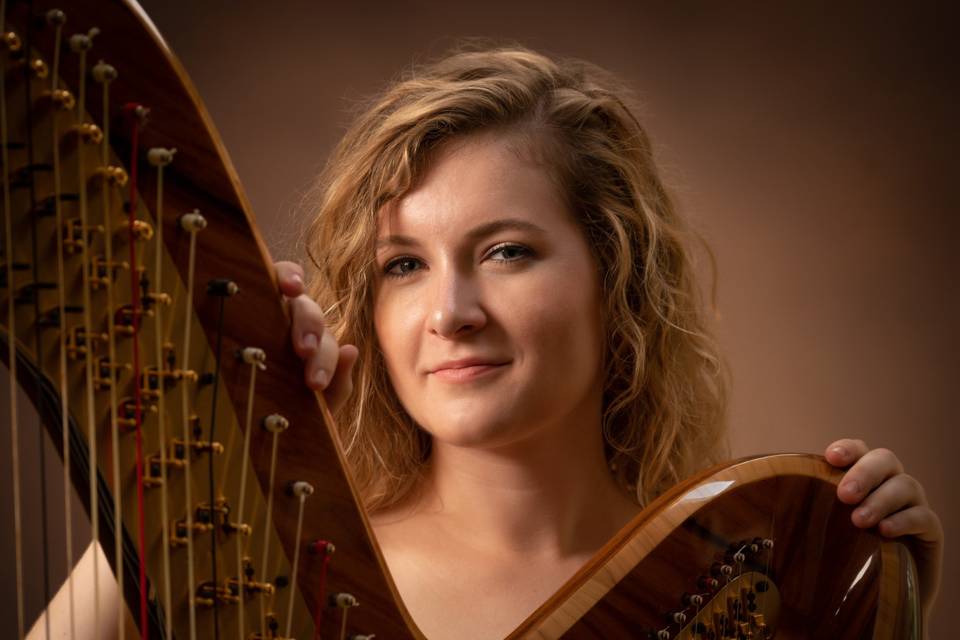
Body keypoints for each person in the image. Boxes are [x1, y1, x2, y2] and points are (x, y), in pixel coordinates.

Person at [273, 44, 943, 640]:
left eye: (506, 251)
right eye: (404, 265)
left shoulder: (760, 592)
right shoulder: (290, 572)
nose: (449, 314)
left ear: (617, 276)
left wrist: (883, 610)